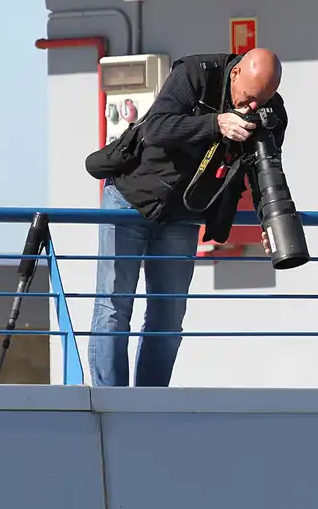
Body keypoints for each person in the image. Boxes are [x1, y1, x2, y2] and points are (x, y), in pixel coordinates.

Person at [88, 48, 287, 387]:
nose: (251, 107)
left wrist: (271, 223)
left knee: (169, 316)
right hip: (130, 200)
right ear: (236, 73)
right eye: (249, 98)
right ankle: (111, 401)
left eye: (262, 100)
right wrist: (215, 123)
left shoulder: (269, 111)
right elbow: (156, 129)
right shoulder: (196, 72)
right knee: (114, 305)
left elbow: (264, 173)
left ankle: (151, 402)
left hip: (182, 215)